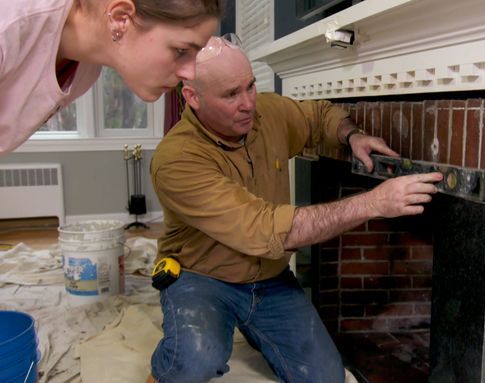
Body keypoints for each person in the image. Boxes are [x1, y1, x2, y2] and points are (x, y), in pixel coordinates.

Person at [148, 34, 443, 383]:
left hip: (269, 279)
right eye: (231, 94)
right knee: (196, 360)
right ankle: (165, 368)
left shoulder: (266, 113)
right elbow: (267, 230)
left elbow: (320, 115)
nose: (248, 104)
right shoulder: (177, 160)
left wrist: (352, 136)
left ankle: (258, 326)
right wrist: (374, 202)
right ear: (192, 97)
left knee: (327, 378)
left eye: (251, 86)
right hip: (203, 278)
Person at [0, 0, 225, 154]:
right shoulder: (10, 25)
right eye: (181, 50)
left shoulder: (87, 69)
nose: (190, 72)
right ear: (121, 18)